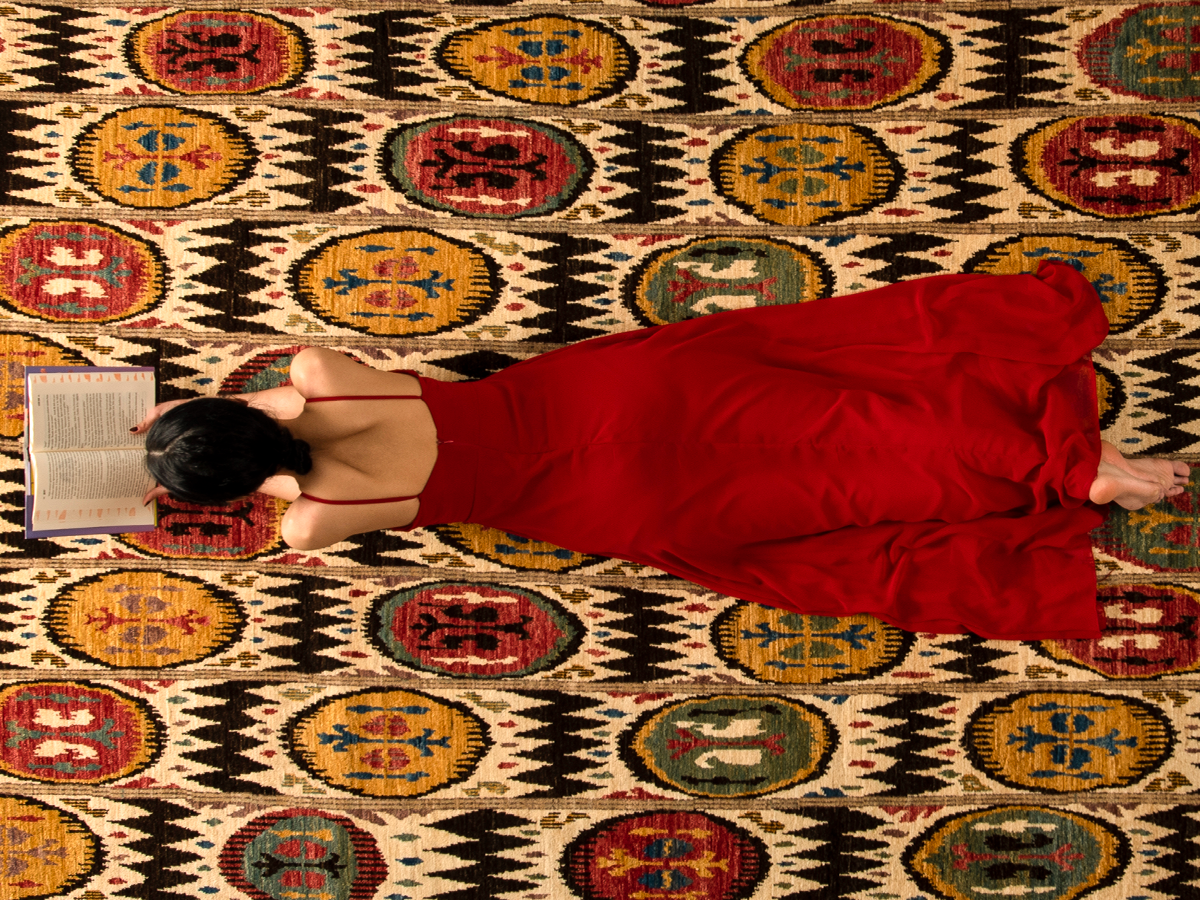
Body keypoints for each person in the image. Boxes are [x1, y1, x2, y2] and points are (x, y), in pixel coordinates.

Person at [134, 262, 1189, 640]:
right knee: (834, 409)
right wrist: (181, 416)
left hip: (614, 500)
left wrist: (222, 472)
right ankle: (1062, 456)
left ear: (241, 488)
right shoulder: (321, 373)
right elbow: (277, 406)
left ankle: (1075, 476)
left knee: (835, 489)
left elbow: (284, 474)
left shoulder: (313, 520)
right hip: (601, 398)